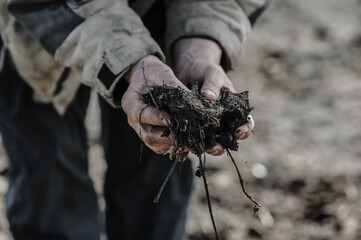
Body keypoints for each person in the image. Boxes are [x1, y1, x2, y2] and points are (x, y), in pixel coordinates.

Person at [0, 0, 268, 239]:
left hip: (157, 14)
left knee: (156, 171)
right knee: (50, 180)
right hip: (42, 23)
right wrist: (129, 58)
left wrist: (199, 44)